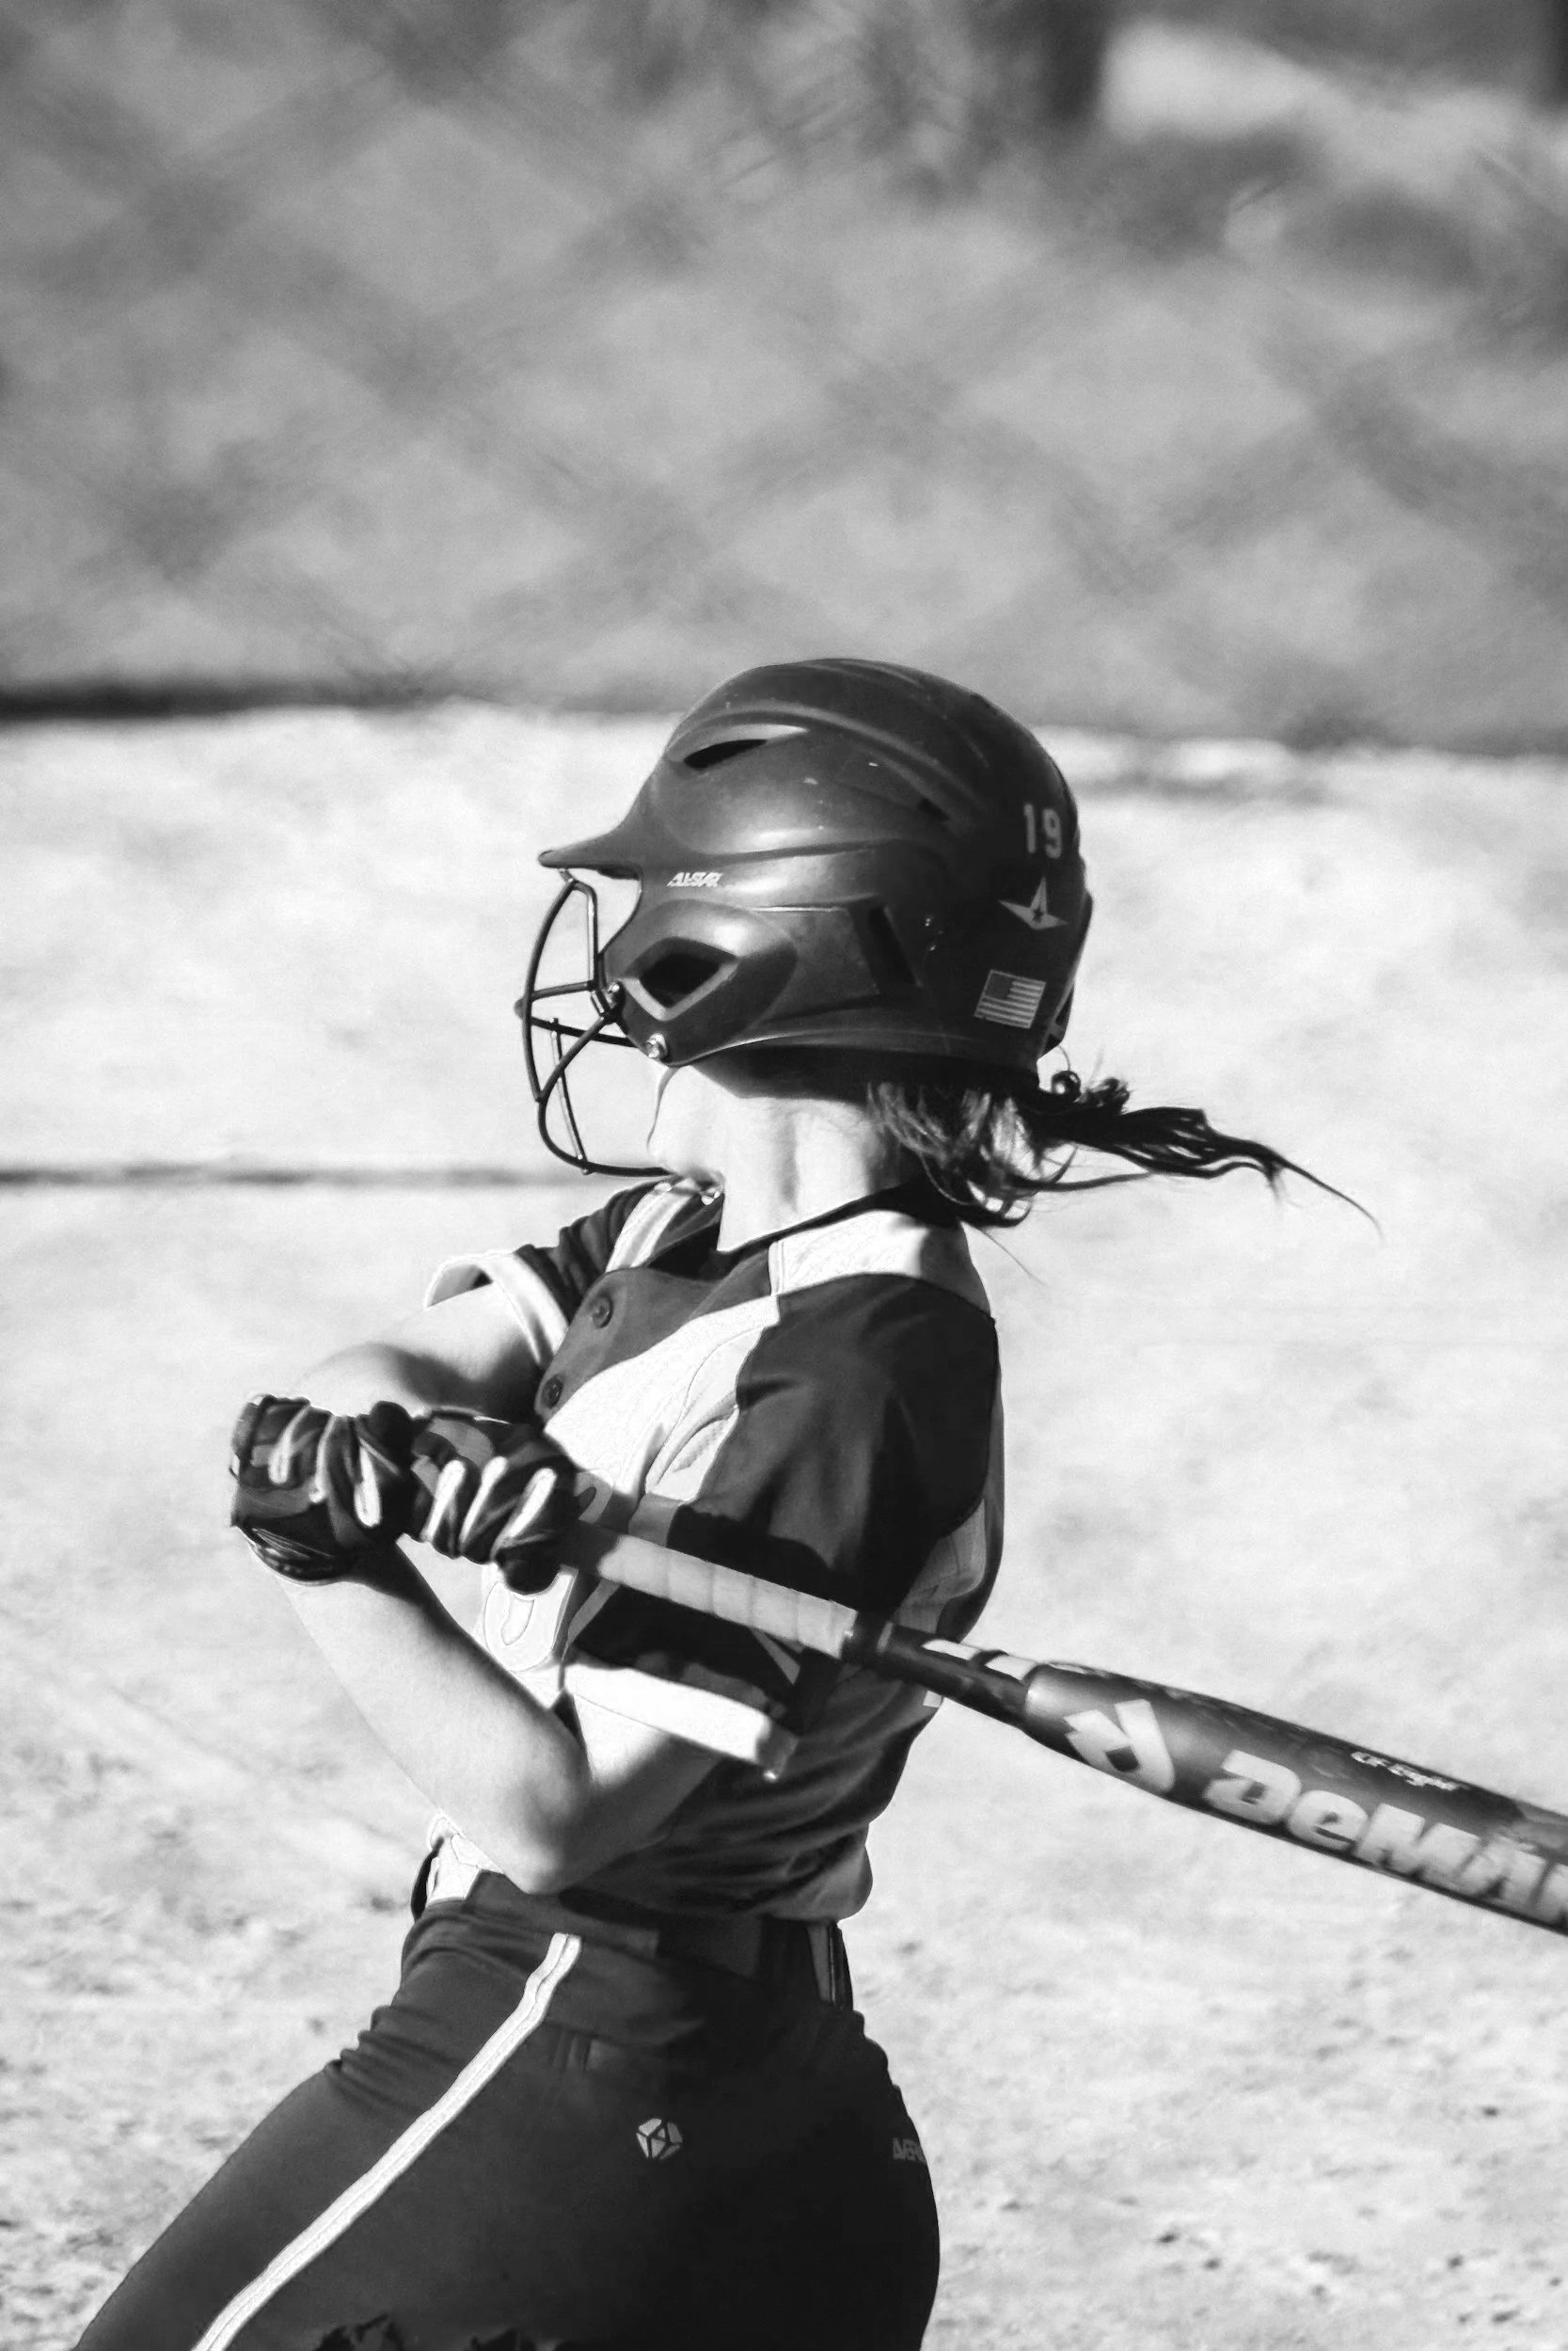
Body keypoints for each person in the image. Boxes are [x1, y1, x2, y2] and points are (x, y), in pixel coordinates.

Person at [78, 659, 1309, 2351]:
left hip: (586, 2070)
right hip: (747, 2092)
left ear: (752, 947)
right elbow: (393, 1360)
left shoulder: (855, 1370)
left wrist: (322, 1553)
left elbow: (557, 1814)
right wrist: (433, 1453)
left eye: (646, 906)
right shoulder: (687, 1237)